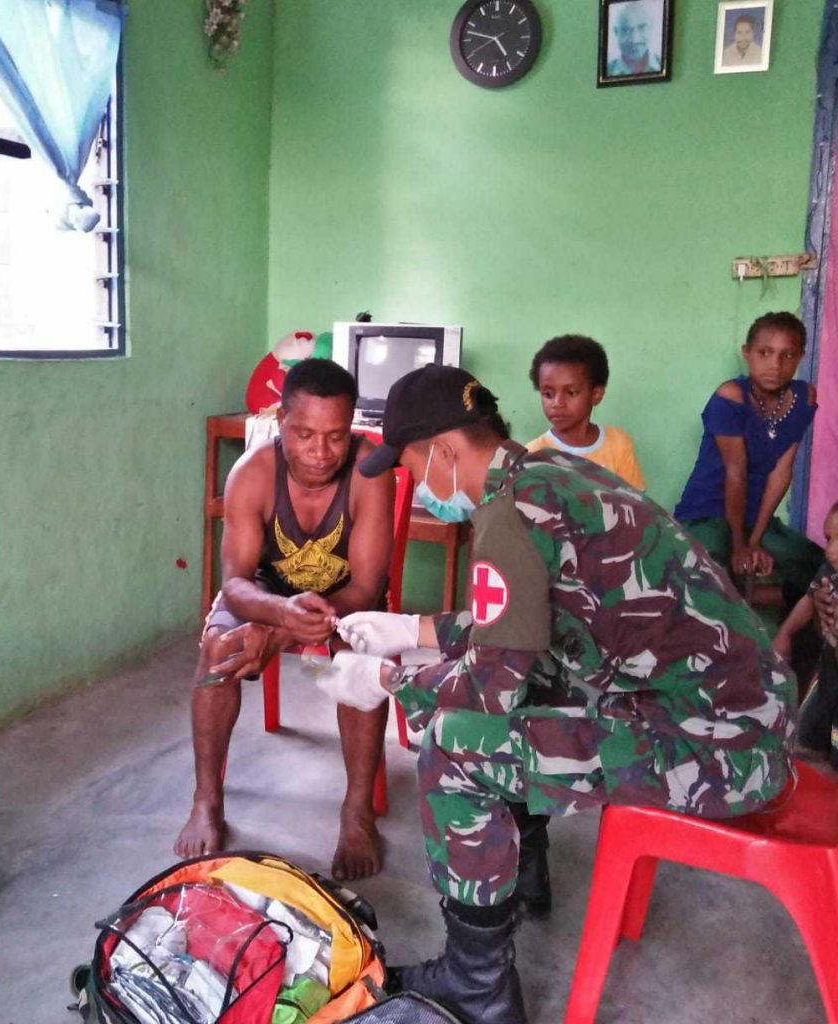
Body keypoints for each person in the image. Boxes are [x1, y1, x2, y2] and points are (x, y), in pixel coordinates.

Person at [311, 364, 794, 1024]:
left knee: (455, 746)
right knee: (534, 683)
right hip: (741, 717)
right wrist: (410, 628)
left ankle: (477, 985)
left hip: (721, 749)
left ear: (444, 450)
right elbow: (523, 628)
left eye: (413, 466)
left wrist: (387, 681)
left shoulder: (506, 516)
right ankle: (521, 868)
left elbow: (489, 686)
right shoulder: (548, 475)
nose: (417, 484)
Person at [174, 358, 395, 881]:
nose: (321, 452)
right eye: (304, 434)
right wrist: (279, 614)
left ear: (352, 428)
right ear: (281, 422)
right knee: (219, 650)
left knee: (362, 657)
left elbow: (367, 586)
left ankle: (357, 812)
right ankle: (206, 800)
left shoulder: (369, 472)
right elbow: (235, 583)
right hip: (267, 592)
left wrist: (278, 632)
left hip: (345, 598)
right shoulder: (252, 473)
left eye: (336, 436)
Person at [674, 312, 820, 602]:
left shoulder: (804, 397)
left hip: (756, 516)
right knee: (708, 570)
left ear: (800, 357)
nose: (775, 365)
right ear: (747, 353)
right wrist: (740, 546)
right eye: (765, 353)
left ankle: (781, 622)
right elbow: (736, 472)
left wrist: (755, 541)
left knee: (816, 566)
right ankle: (727, 615)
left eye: (787, 355)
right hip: (708, 511)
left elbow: (782, 471)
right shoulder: (731, 396)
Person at [525, 334, 645, 490]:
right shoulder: (533, 454)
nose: (557, 403)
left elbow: (635, 502)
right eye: (548, 394)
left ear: (596, 394)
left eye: (571, 392)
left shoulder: (618, 444)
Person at [773, 500, 838, 767]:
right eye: (829, 539)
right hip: (828, 670)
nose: (830, 550)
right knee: (804, 739)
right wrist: (785, 633)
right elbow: (809, 599)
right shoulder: (829, 572)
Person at [606, 0, 661, 77]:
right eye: (626, 30)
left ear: (651, 27)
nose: (634, 40)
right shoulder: (607, 71)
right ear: (616, 32)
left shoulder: (664, 64)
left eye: (642, 28)